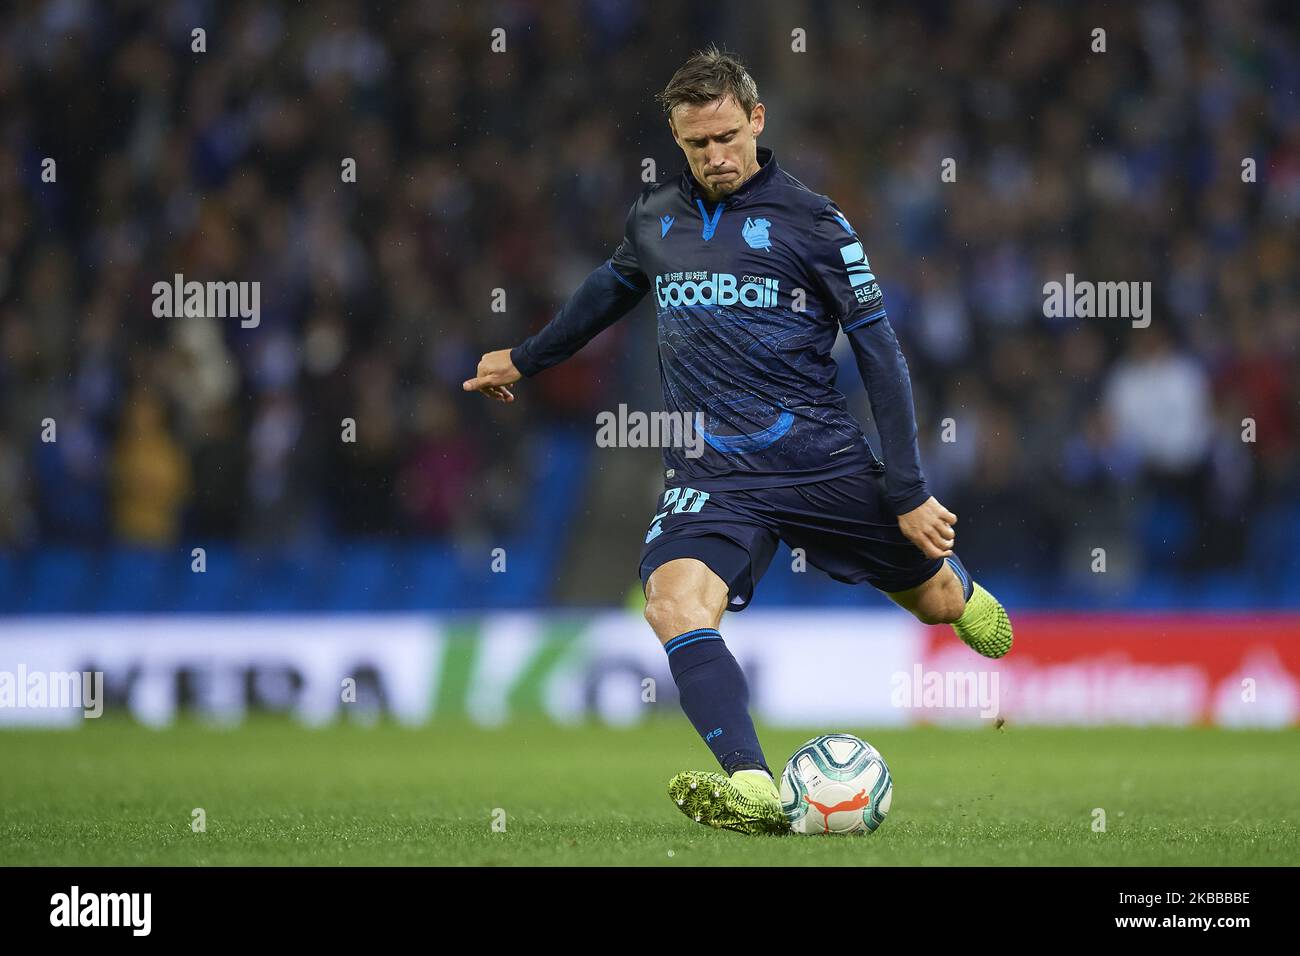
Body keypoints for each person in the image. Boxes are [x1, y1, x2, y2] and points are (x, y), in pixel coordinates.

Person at [464, 46, 1012, 834]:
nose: (716, 157)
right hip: (712, 472)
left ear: (757, 120)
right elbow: (605, 294)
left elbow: (881, 352)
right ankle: (754, 785)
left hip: (818, 459)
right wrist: (525, 356)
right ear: (676, 141)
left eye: (727, 137)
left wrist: (907, 488)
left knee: (935, 602)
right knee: (672, 604)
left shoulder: (817, 223)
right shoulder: (655, 219)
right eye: (697, 145)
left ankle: (954, 586)